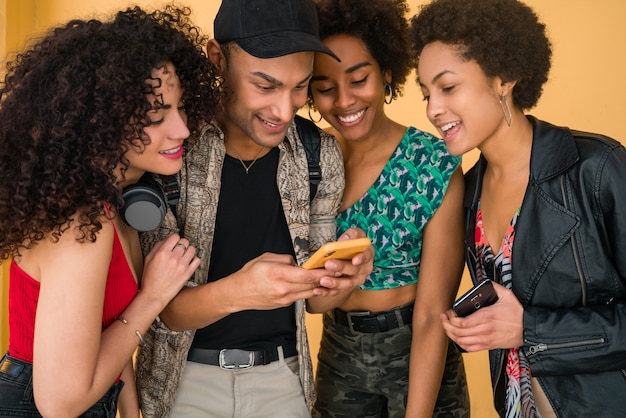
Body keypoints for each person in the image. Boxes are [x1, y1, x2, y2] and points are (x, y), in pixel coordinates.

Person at [134, 0, 375, 417]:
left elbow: (316, 304)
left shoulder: (320, 156)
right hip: (183, 386)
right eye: (265, 86)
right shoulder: (170, 150)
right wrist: (240, 291)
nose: (285, 110)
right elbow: (161, 310)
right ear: (217, 59)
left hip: (284, 382)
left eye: (300, 86)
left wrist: (344, 278)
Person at [410, 0, 626, 416]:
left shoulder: (594, 169)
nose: (433, 109)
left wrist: (530, 328)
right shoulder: (466, 192)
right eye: (426, 94)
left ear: (503, 78)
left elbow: (524, 325)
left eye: (448, 87)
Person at [0, 6, 219, 417]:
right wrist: (153, 297)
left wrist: (131, 412)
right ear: (103, 121)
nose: (183, 130)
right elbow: (60, 403)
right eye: (156, 116)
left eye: (181, 107)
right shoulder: (82, 225)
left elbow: (108, 333)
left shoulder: (119, 199)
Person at [306, 1, 469, 417]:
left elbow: (434, 313)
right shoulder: (308, 158)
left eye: (359, 79)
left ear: (388, 74)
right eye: (324, 87)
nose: (344, 101)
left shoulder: (433, 163)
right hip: (338, 351)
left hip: (417, 346)